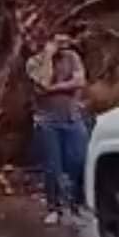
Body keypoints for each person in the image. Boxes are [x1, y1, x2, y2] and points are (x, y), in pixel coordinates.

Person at [27, 32, 90, 226]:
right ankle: (54, 208)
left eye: (63, 40)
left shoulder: (72, 57)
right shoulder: (33, 63)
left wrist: (54, 88)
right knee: (52, 167)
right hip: (47, 120)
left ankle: (76, 206)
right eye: (56, 41)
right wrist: (47, 55)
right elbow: (43, 81)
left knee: (78, 162)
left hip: (72, 117)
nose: (62, 43)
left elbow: (80, 81)